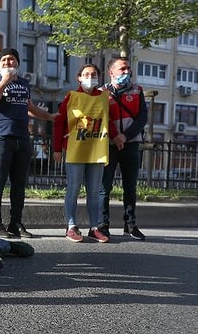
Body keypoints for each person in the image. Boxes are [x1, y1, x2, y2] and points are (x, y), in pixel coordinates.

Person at [0, 48, 56, 239]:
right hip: (1, 137)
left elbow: (29, 107)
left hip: (22, 138)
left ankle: (16, 223)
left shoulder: (24, 83)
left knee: (19, 184)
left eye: (11, 59)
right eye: (4, 60)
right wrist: (4, 81)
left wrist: (50, 117)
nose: (7, 62)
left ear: (18, 63)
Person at [53, 64, 111, 243]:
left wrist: (118, 138)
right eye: (86, 74)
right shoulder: (71, 96)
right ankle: (71, 226)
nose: (90, 77)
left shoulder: (104, 97)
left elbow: (110, 121)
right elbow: (59, 122)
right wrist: (56, 148)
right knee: (74, 189)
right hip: (75, 149)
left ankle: (94, 228)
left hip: (97, 149)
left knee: (94, 191)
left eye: (93, 74)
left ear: (99, 77)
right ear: (79, 77)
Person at [98, 57, 148, 240]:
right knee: (104, 187)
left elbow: (142, 117)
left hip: (132, 144)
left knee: (130, 186)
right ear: (111, 72)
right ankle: (103, 224)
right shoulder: (101, 92)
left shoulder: (137, 90)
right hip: (108, 145)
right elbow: (102, 117)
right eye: (122, 69)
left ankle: (130, 225)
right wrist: (115, 136)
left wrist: (125, 136)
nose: (127, 72)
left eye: (128, 69)